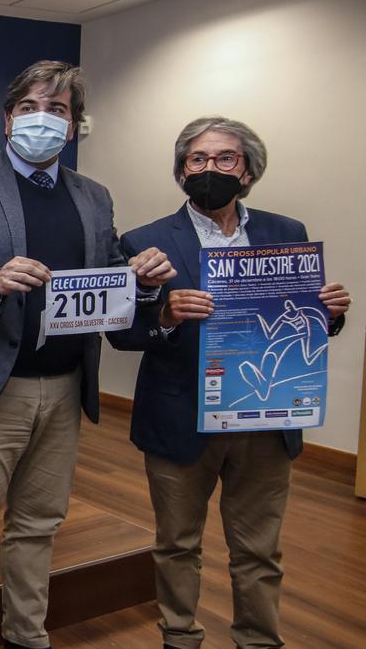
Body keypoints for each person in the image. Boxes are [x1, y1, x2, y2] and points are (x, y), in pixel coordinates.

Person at [0, 60, 175, 649]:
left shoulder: (94, 196)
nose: (44, 118)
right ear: (8, 119)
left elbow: (108, 279)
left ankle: (27, 637)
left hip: (65, 387)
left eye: (58, 110)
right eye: (31, 107)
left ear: (74, 124)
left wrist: (144, 280)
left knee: (38, 526)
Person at [107, 116, 351, 649]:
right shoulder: (143, 243)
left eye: (225, 159)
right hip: (180, 416)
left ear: (248, 173)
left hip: (266, 417)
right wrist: (165, 315)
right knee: (176, 543)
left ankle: (259, 640)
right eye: (197, 159)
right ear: (180, 172)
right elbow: (122, 336)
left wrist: (328, 312)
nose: (209, 169)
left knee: (259, 549)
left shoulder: (286, 234)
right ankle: (179, 636)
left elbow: (301, 325)